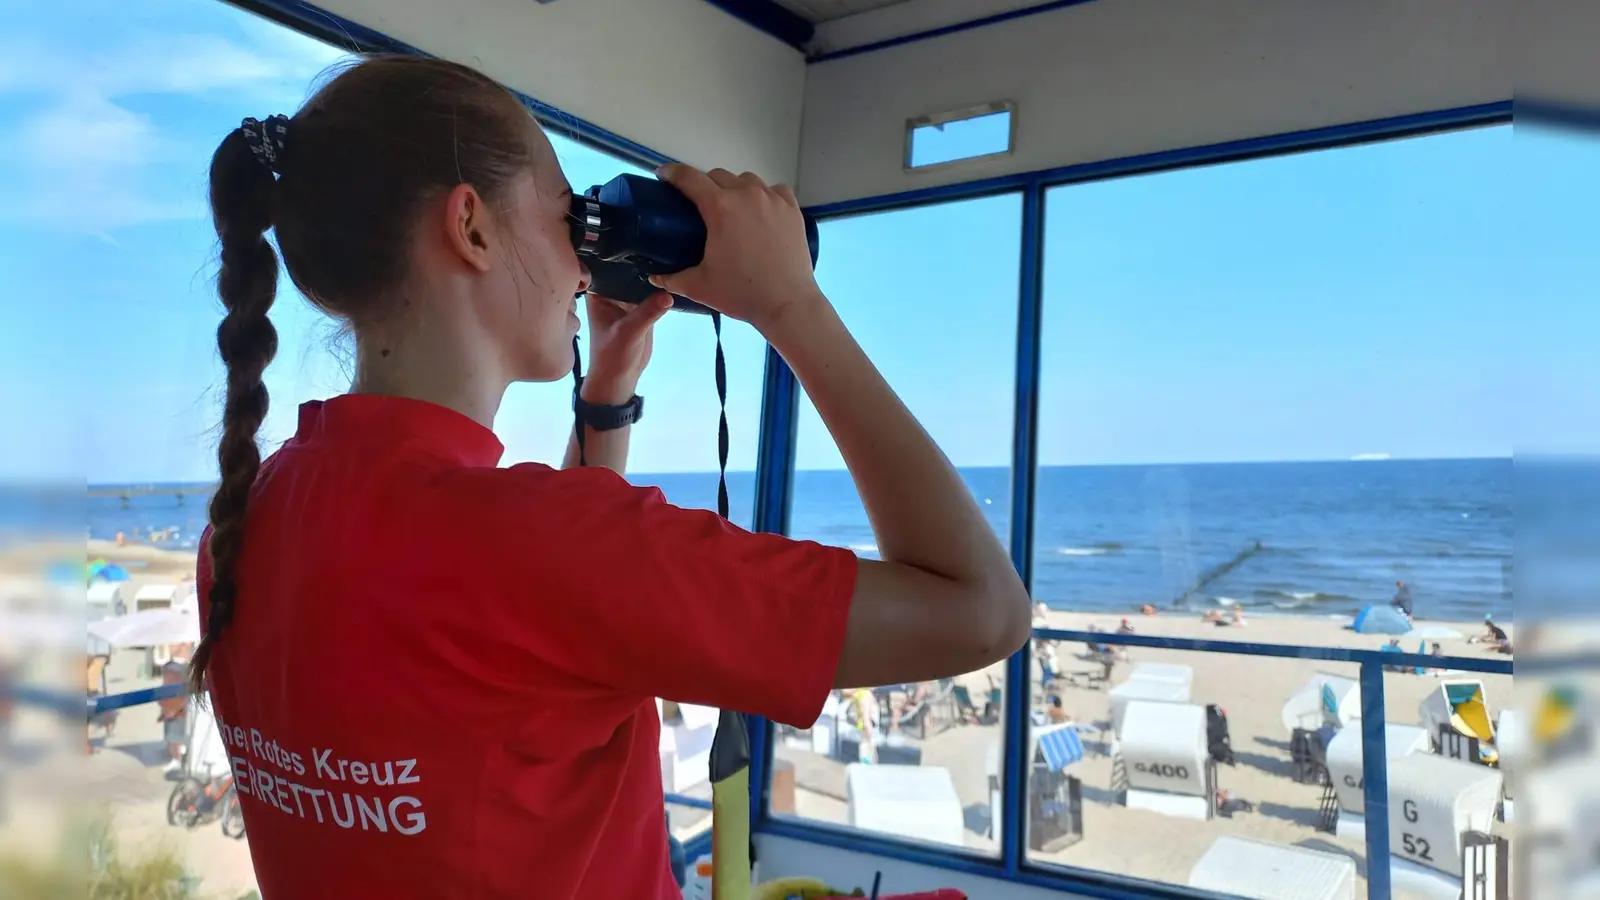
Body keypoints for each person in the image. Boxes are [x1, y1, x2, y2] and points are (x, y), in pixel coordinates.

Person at [184, 55, 1030, 899]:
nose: (585, 263)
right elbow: (981, 611)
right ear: (472, 228)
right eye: (568, 219)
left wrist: (605, 401)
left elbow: (523, 647)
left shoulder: (245, 525)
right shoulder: (540, 544)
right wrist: (790, 306)